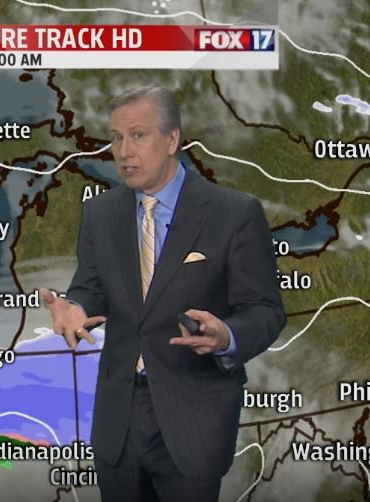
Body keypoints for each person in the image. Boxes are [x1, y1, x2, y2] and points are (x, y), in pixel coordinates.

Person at [41, 86, 286, 501]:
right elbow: (91, 285)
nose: (123, 151)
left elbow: (265, 310)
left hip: (193, 422)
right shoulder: (101, 213)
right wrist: (76, 306)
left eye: (138, 135)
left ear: (172, 140)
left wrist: (227, 336)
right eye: (116, 138)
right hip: (119, 421)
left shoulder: (234, 213)